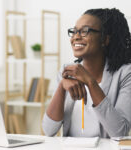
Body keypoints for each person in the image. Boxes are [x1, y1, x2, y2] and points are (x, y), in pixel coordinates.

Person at [42, 8, 131, 138]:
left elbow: (120, 133)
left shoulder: (125, 74)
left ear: (105, 39)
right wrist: (61, 87)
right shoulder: (66, 71)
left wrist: (90, 82)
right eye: (74, 31)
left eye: (85, 31)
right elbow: (48, 130)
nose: (76, 37)